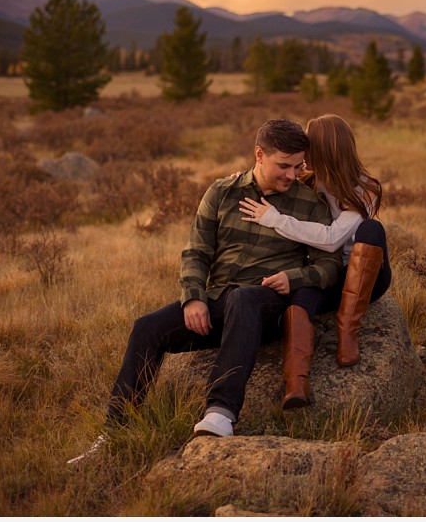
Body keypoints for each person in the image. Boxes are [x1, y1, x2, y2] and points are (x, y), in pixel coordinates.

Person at [67, 119, 342, 465]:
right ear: (259, 155)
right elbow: (197, 252)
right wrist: (194, 296)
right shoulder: (221, 192)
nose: (292, 174)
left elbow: (329, 267)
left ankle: (221, 412)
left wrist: (295, 278)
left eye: (298, 166)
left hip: (266, 302)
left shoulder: (310, 204)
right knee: (147, 327)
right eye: (283, 166)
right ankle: (113, 432)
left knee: (243, 299)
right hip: (218, 300)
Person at [238, 113, 391, 371]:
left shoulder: (365, 190)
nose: (304, 154)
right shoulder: (309, 181)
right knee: (303, 292)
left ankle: (347, 334)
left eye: (310, 146)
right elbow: (272, 180)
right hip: (331, 273)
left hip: (366, 277)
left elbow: (332, 240)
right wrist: (245, 181)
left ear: (326, 150)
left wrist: (276, 220)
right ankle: (296, 380)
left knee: (372, 229)